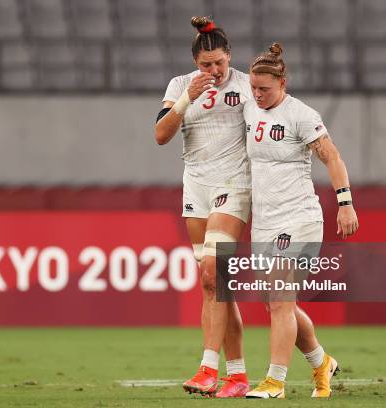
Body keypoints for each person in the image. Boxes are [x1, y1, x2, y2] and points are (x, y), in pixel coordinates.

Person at [242, 43, 359, 399]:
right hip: (263, 221)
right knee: (280, 304)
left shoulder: (301, 115)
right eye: (254, 88)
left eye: (265, 88)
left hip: (299, 217)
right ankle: (321, 362)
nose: (258, 95)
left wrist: (345, 203)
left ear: (283, 83)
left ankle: (275, 381)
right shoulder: (249, 108)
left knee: (279, 299)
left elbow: (332, 157)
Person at [154, 16, 252, 398]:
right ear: (196, 63)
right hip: (196, 187)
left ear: (229, 56)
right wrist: (186, 98)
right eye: (205, 66)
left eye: (219, 64)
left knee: (214, 271)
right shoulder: (180, 86)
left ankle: (208, 368)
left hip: (235, 185)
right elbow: (161, 136)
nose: (213, 71)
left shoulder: (245, 86)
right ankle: (238, 376)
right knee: (214, 285)